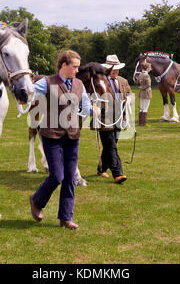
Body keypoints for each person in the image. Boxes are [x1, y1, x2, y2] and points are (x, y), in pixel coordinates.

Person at [29, 50, 99, 230]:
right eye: (74, 67)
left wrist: (94, 111)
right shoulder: (47, 82)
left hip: (73, 136)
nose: (77, 70)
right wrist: (25, 93)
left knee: (69, 178)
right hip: (51, 135)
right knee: (57, 176)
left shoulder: (79, 85)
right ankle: (37, 201)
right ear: (63, 65)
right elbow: (30, 92)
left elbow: (84, 105)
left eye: (77, 67)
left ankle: (66, 217)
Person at [96, 54, 133, 184]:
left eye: (117, 69)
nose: (116, 71)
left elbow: (130, 94)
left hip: (119, 118)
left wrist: (129, 99)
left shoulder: (123, 81)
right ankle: (118, 174)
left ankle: (101, 169)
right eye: (113, 69)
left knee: (110, 146)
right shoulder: (100, 82)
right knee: (111, 146)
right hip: (104, 119)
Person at [137, 62, 152, 126]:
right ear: (147, 68)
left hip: (141, 92)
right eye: (150, 67)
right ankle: (144, 123)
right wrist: (143, 87)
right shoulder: (147, 75)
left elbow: (137, 81)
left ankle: (140, 122)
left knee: (141, 108)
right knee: (145, 108)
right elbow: (149, 84)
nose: (151, 69)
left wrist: (141, 87)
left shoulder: (140, 74)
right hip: (146, 92)